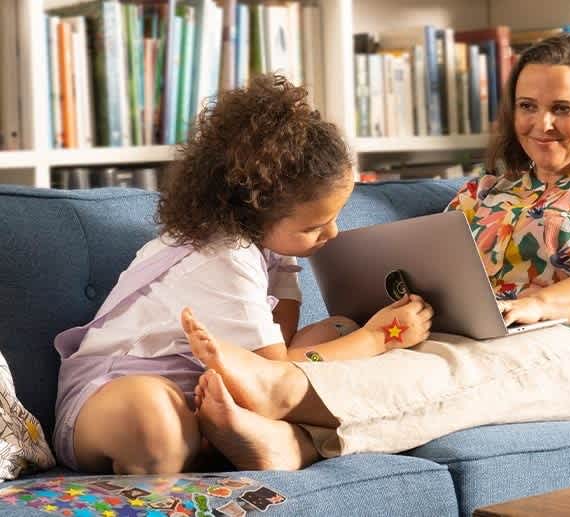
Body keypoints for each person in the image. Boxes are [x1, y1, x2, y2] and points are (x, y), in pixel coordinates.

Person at [177, 32, 570, 471]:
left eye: (562, 109)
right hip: (471, 336)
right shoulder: (483, 192)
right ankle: (290, 447)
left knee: (466, 368)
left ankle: (287, 389)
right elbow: (437, 268)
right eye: (527, 106)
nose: (541, 123)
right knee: (376, 340)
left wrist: (537, 304)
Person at [52, 74, 433, 475]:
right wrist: (378, 337)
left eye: (334, 219)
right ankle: (227, 439)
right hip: (114, 392)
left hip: (212, 389)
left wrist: (343, 325)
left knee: (337, 329)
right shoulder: (224, 255)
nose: (332, 234)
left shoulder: (272, 248)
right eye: (312, 227)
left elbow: (279, 346)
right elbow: (273, 372)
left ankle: (225, 436)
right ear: (252, 212)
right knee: (157, 420)